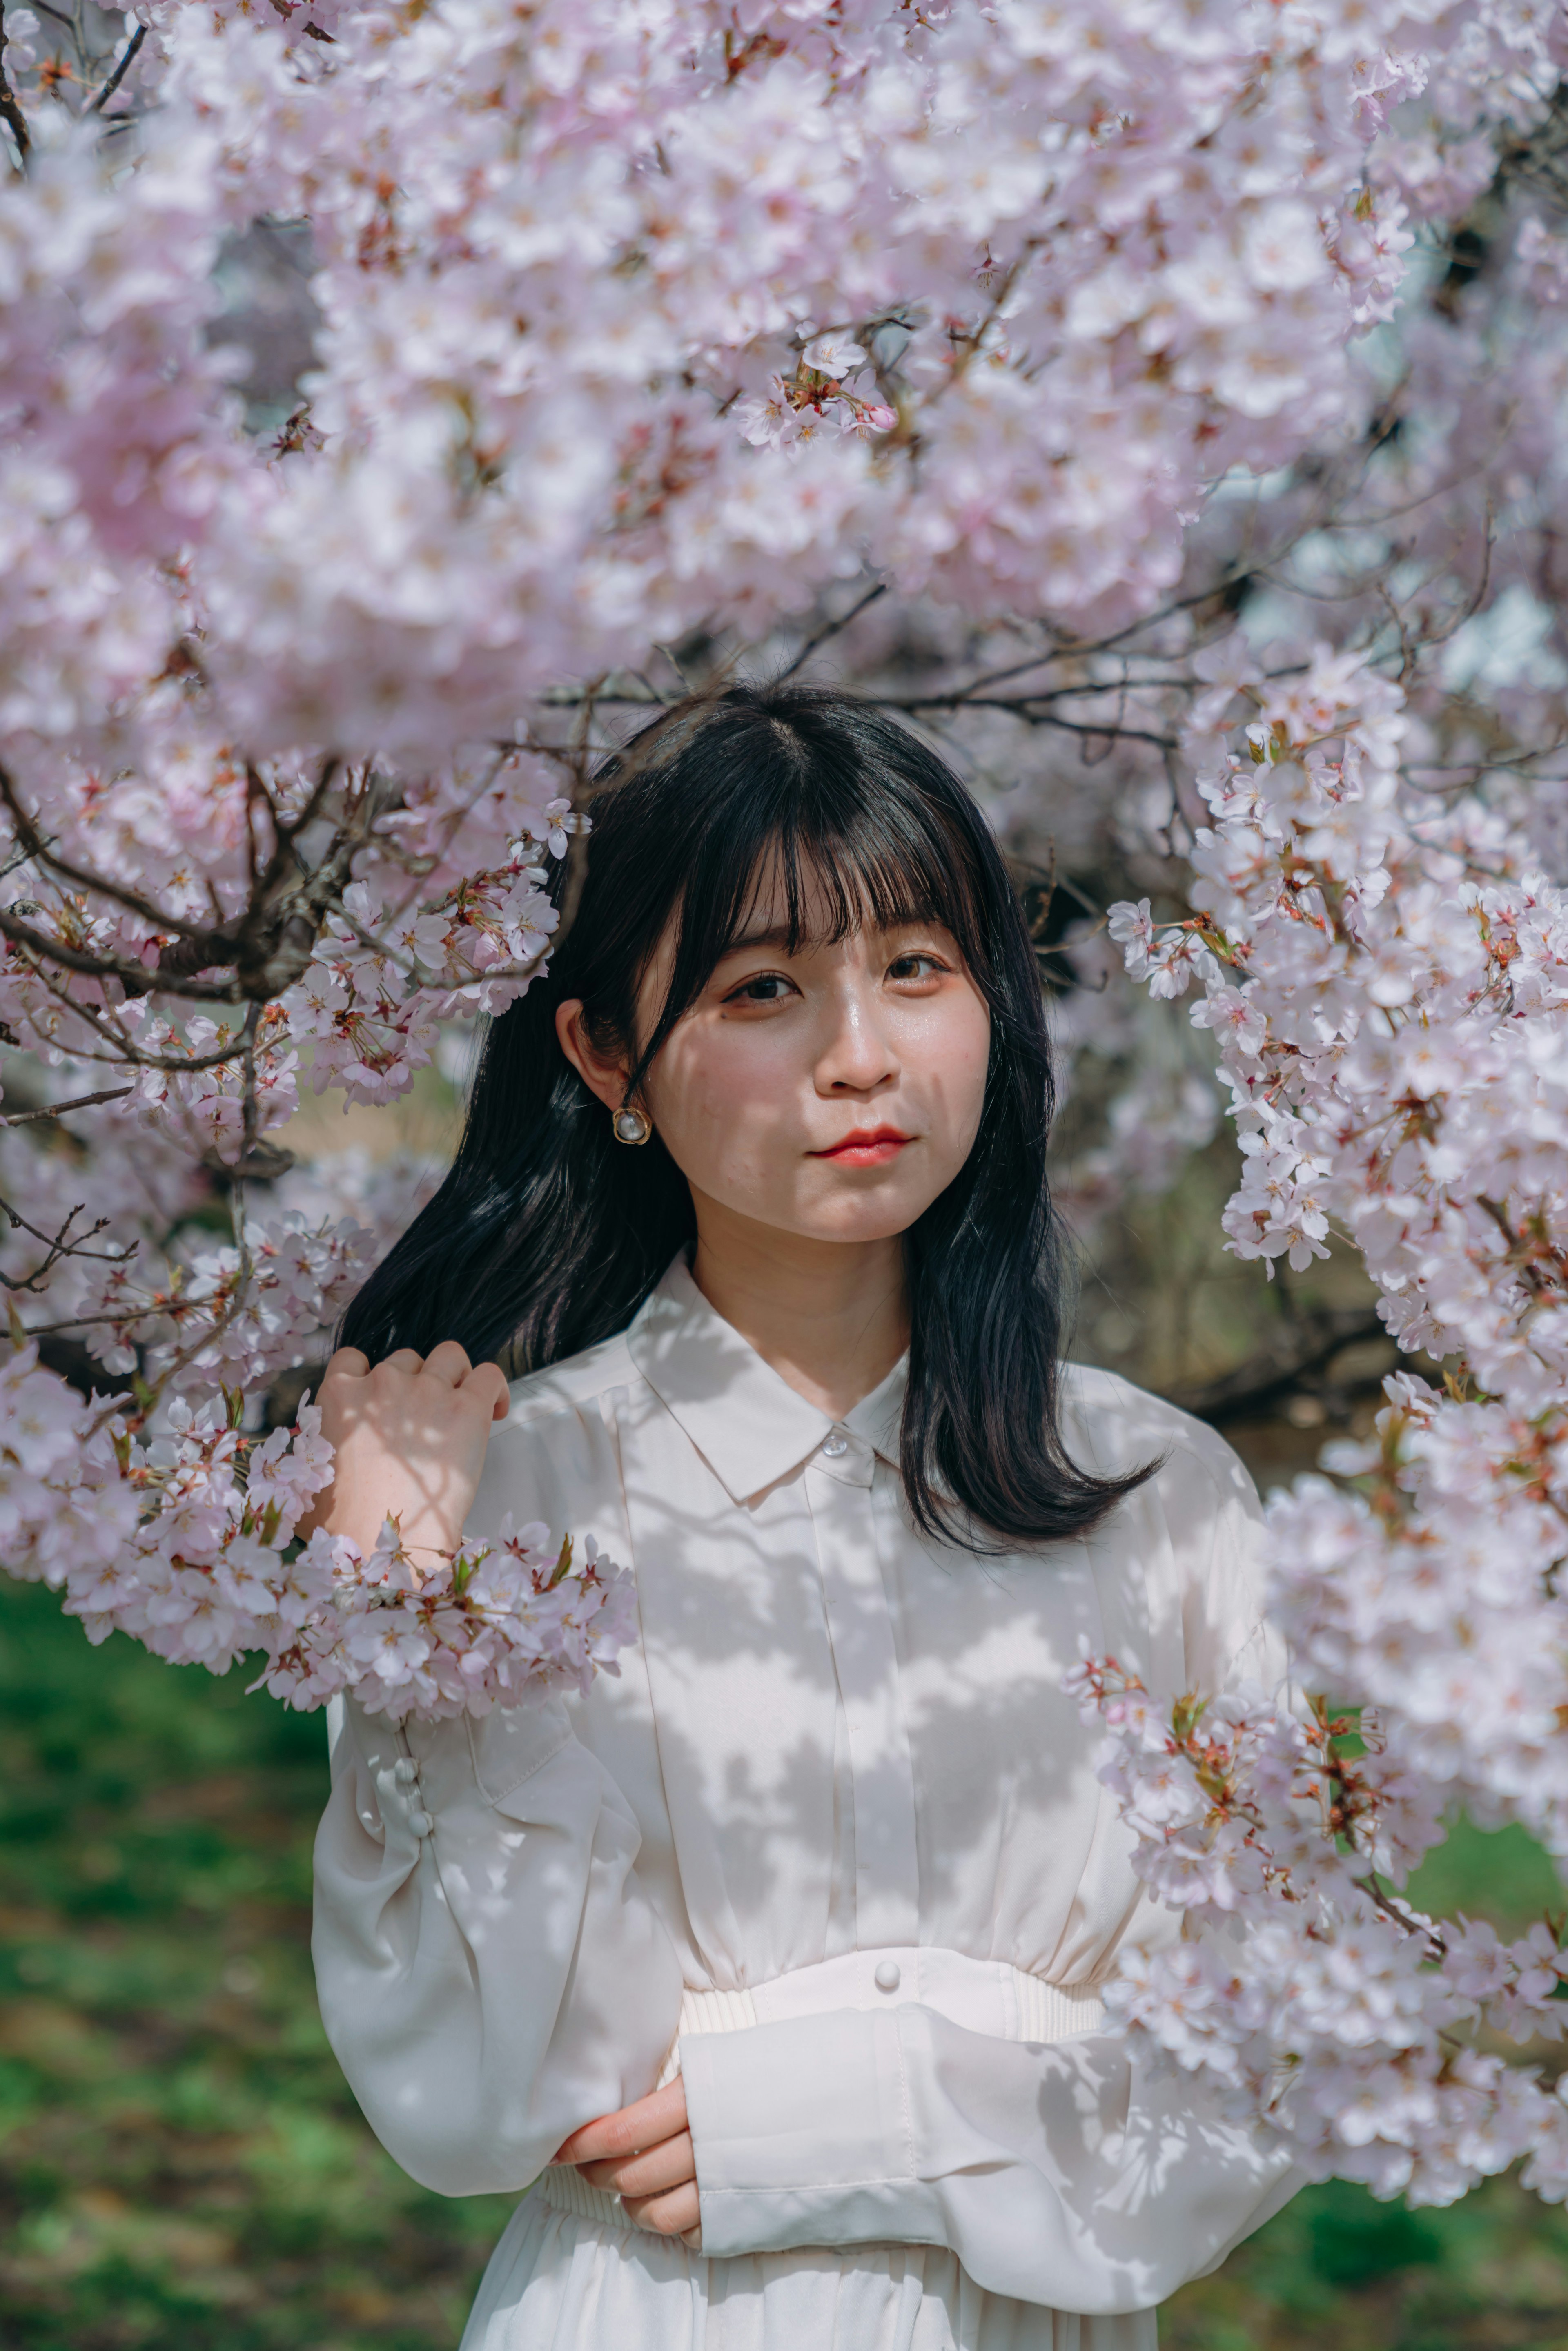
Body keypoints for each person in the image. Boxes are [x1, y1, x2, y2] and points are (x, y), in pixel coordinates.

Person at [308, 685, 1298, 2351]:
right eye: (765, 988)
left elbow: (1264, 2065)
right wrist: (410, 1606)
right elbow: (486, 2097)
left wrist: (878, 2119)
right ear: (607, 1054)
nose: (863, 1056)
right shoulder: (509, 1498)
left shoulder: (1161, 1497)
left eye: (918, 969)